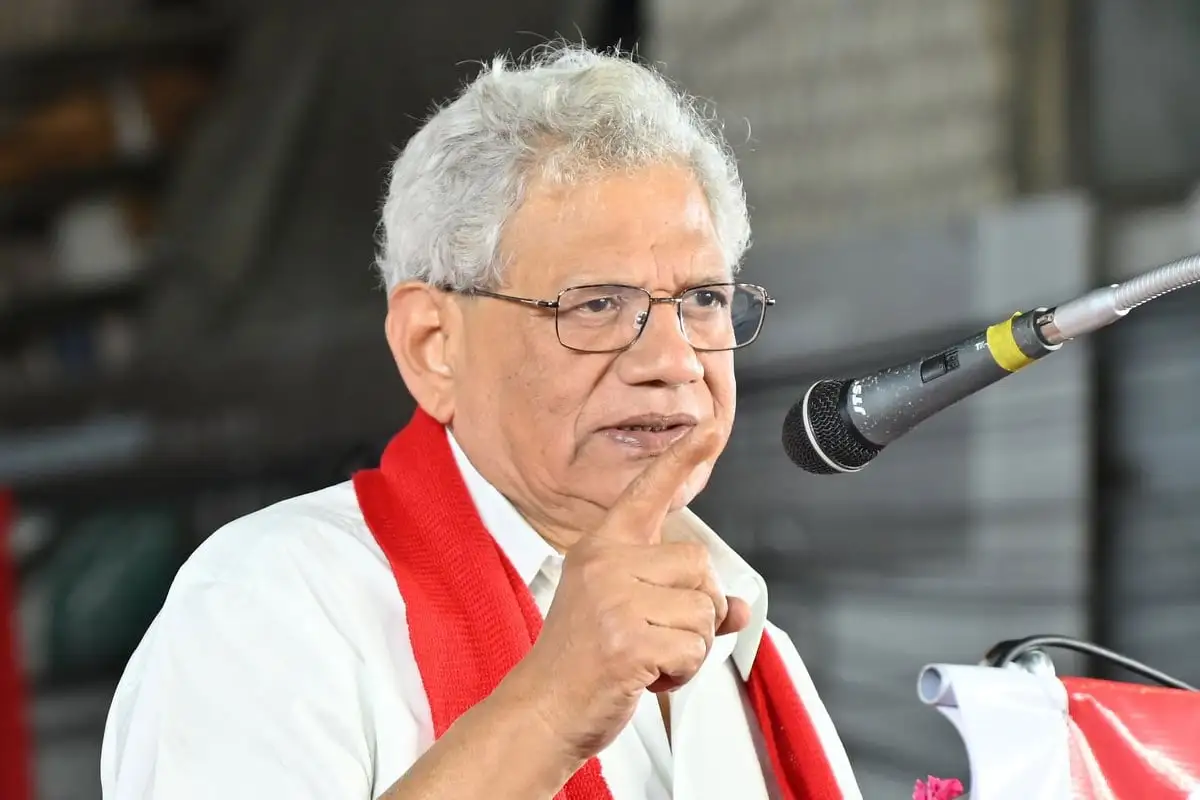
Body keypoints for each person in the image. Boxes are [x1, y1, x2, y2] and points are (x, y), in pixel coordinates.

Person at [100, 44, 862, 800]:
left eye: (701, 299)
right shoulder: (275, 604)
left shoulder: (749, 647)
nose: (674, 358)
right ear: (434, 347)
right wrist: (552, 707)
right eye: (597, 304)